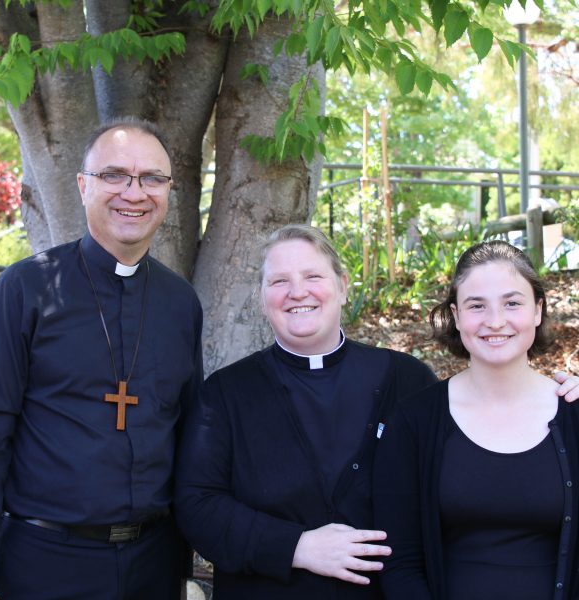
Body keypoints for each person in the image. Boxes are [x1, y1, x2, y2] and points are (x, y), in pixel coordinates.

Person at [174, 225, 579, 600]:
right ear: (262, 298)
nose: (298, 292)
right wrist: (295, 546)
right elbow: (197, 503)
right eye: (279, 281)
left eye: (313, 277)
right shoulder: (225, 394)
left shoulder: (407, 380)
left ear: (344, 287)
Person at [0, 118, 202, 600]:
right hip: (43, 564)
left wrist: (182, 568)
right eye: (115, 175)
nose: (134, 193)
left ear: (168, 191)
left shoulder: (180, 302)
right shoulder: (26, 289)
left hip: (154, 565)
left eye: (151, 179)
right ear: (83, 186)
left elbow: (185, 437)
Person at [374, 240, 579, 600]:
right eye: (477, 305)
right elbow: (400, 561)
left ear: (537, 310)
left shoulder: (574, 415)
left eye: (512, 303)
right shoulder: (414, 422)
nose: (495, 321)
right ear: (456, 316)